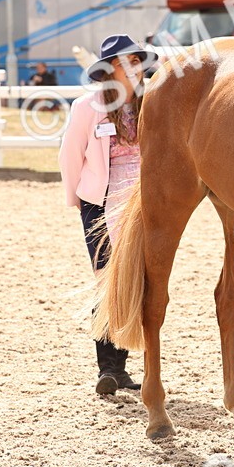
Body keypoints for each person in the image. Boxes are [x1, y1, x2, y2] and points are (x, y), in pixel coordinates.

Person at [58, 33, 159, 395]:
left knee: (142, 280)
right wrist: (77, 200)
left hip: (145, 200)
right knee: (107, 282)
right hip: (100, 204)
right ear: (108, 70)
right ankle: (109, 368)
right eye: (126, 62)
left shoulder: (153, 103)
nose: (134, 68)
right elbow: (71, 155)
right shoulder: (88, 107)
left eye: (137, 61)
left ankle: (134, 368)